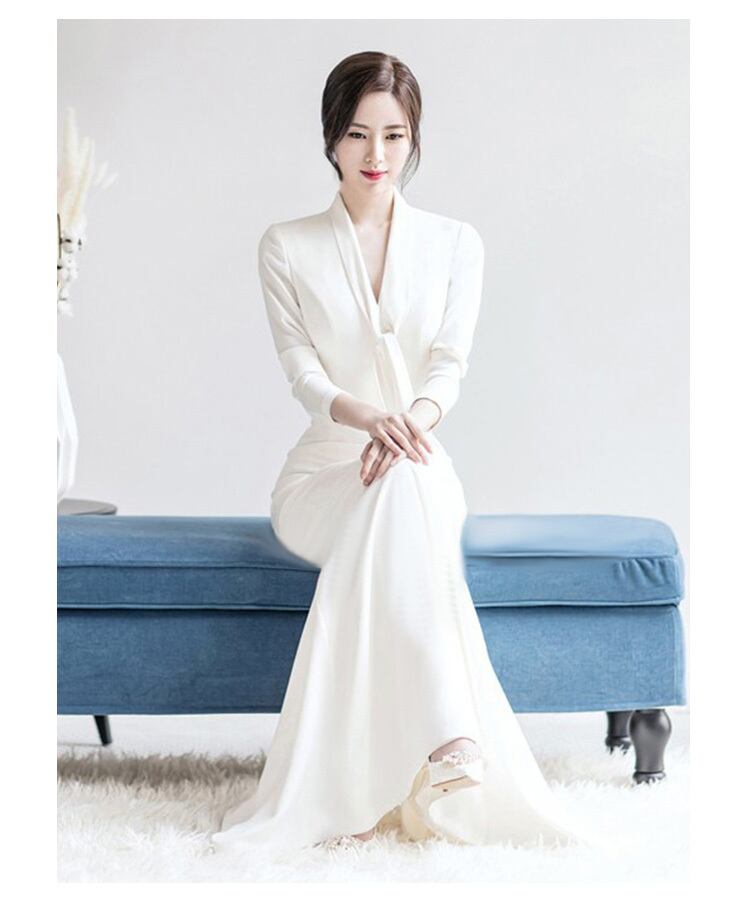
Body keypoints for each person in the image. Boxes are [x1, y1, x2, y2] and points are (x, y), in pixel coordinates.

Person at [210, 51, 603, 857]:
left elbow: (448, 367)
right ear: (331, 137)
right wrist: (369, 419)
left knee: (404, 487)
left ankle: (365, 785)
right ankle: (449, 735)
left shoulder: (457, 244)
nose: (376, 154)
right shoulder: (286, 245)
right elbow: (302, 371)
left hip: (421, 465)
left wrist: (408, 425)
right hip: (325, 472)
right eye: (358, 134)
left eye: (393, 135)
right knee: (389, 493)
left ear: (414, 138)